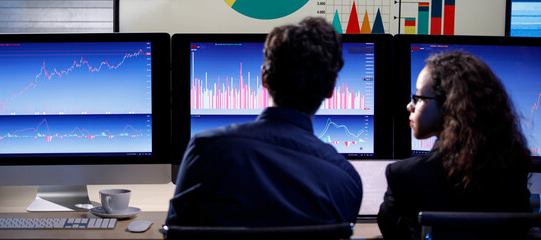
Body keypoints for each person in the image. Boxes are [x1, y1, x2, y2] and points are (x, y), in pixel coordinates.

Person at [166, 17, 363, 227]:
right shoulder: (345, 181)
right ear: (332, 88)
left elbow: (177, 231)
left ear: (263, 77)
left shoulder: (206, 149)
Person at [377, 51, 532, 240]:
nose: (409, 106)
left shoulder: (404, 176)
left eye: (418, 98)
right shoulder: (513, 169)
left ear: (449, 107)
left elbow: (392, 233)